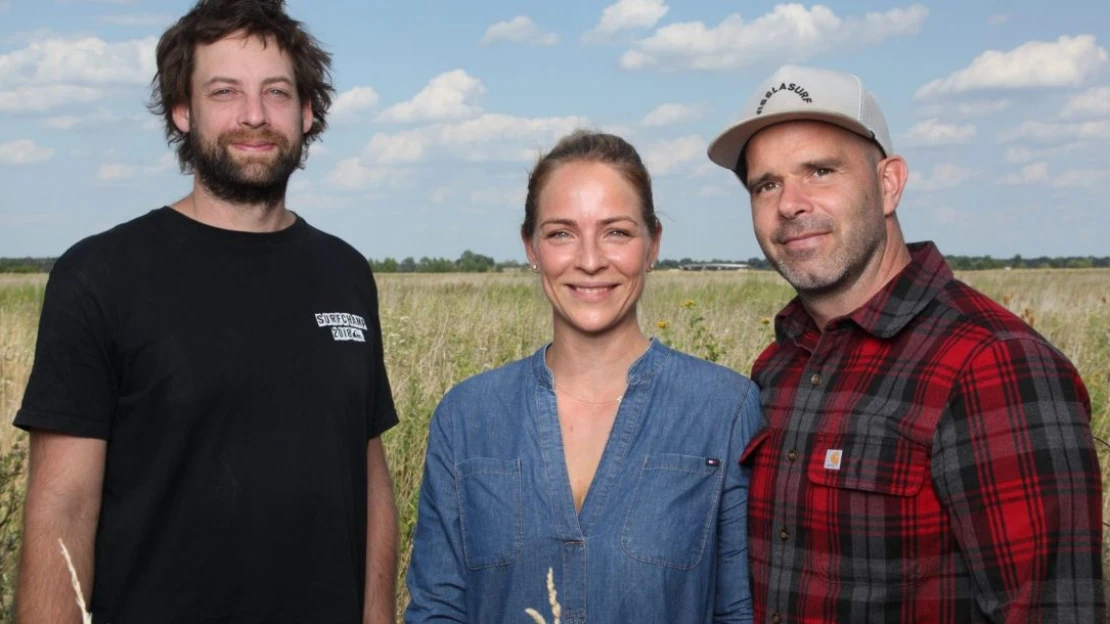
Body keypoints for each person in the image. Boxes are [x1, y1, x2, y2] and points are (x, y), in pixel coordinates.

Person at [14, 1, 399, 622]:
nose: (253, 115)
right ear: (182, 111)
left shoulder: (346, 274)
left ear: (306, 113)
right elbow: (62, 507)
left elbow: (369, 478)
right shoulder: (99, 275)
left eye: (277, 92)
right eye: (225, 92)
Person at [707, 64, 1105, 623]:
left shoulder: (992, 363)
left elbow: (1049, 610)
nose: (790, 204)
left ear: (889, 183)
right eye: (766, 184)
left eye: (820, 171)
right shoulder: (780, 365)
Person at [404, 131, 762, 623]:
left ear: (653, 243)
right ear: (531, 247)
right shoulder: (467, 416)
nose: (590, 261)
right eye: (561, 233)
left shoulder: (725, 408)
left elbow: (738, 610)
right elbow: (436, 608)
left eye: (616, 232)